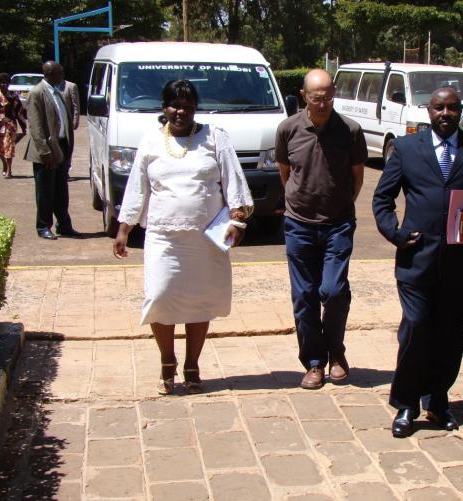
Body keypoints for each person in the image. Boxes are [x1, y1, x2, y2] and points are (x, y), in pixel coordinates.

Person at [372, 86, 463, 437]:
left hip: (459, 261)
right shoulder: (406, 149)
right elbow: (382, 198)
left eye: (452, 108)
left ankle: (438, 401)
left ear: (460, 111)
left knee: (450, 334)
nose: (445, 114)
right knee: (417, 327)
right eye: (439, 108)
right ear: (428, 111)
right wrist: (396, 233)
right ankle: (406, 404)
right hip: (416, 259)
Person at [113, 79, 253, 396]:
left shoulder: (215, 138)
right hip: (163, 237)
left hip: (205, 240)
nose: (181, 112)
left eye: (188, 107)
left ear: (195, 109)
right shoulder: (150, 142)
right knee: (160, 296)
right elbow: (137, 188)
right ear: (164, 108)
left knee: (199, 302)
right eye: (175, 105)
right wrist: (124, 229)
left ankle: (192, 364)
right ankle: (167, 360)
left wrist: (238, 220)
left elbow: (234, 181)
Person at [275, 69, 367, 390]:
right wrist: (302, 205)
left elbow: (357, 177)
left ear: (334, 94)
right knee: (304, 295)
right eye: (316, 97)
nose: (323, 102)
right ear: (304, 96)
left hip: (338, 224)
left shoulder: (351, 131)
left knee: (333, 290)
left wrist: (341, 206)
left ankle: (337, 353)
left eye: (328, 96)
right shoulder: (287, 129)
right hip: (299, 225)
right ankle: (314, 362)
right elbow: (286, 173)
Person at [23, 61, 80, 240]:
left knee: (61, 190)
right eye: (60, 72)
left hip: (60, 146)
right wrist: (44, 151)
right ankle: (43, 226)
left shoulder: (57, 91)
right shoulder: (37, 93)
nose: (63, 74)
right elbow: (36, 126)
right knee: (45, 191)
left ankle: (64, 224)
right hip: (46, 151)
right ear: (51, 73)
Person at [0, 73, 27, 178]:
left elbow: (19, 112)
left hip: (9, 124)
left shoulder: (13, 95)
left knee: (8, 147)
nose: (3, 85)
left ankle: (9, 170)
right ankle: (4, 164)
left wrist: (23, 127)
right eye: (1, 83)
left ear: (8, 84)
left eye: (5, 83)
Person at [58, 77, 80, 178]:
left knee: (67, 146)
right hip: (53, 123)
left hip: (67, 122)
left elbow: (75, 105)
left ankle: (65, 169)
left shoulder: (71, 86)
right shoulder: (49, 87)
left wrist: (75, 121)